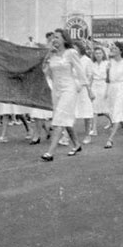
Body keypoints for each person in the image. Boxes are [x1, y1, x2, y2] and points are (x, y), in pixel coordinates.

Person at [40, 28, 87, 161]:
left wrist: (86, 89)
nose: (54, 39)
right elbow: (46, 72)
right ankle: (77, 144)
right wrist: (48, 54)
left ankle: (50, 152)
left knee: (59, 119)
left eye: (57, 37)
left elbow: (80, 71)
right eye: (53, 37)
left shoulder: (71, 53)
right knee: (64, 119)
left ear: (65, 39)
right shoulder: (52, 55)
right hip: (57, 90)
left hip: (69, 89)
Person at [72, 40, 95, 144]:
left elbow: (90, 75)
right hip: (73, 88)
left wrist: (86, 86)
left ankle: (87, 135)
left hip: (84, 88)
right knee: (71, 112)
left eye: (75, 47)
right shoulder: (71, 59)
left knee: (86, 113)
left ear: (80, 48)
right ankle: (68, 136)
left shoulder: (87, 60)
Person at [90, 45, 110, 136]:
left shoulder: (107, 63)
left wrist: (108, 90)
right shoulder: (92, 64)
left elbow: (109, 78)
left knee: (105, 109)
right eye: (96, 53)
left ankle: (114, 121)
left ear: (103, 54)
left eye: (100, 53)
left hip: (104, 85)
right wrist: (89, 90)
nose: (98, 55)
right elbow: (90, 77)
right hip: (94, 85)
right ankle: (94, 129)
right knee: (94, 108)